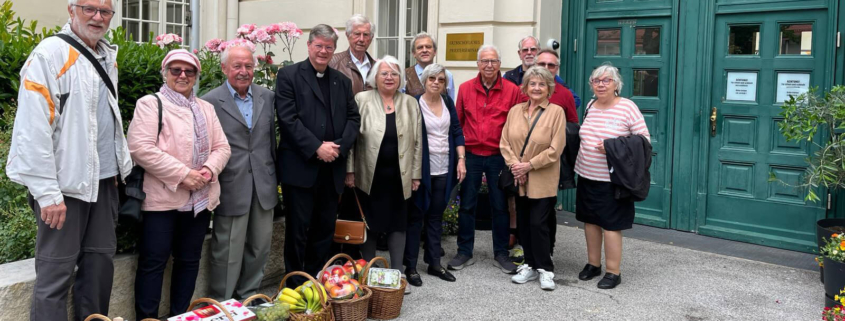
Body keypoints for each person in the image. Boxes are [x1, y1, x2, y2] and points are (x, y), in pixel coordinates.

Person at [6, 0, 130, 319]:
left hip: (103, 183)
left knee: (99, 270)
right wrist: (47, 193)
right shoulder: (50, 54)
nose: (98, 17)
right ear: (71, 10)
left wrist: (115, 165)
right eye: (89, 9)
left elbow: (103, 122)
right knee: (55, 275)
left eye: (105, 12)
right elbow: (32, 130)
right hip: (64, 188)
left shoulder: (107, 55)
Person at [128, 49, 231, 318]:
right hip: (162, 200)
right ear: (165, 73)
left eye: (189, 71)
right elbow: (140, 148)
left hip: (199, 199)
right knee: (153, 263)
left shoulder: (206, 108)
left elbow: (222, 147)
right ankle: (147, 317)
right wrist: (184, 174)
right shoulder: (150, 104)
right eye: (176, 70)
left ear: (196, 76)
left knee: (188, 262)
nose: (182, 75)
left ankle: (180, 315)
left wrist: (208, 171)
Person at [276, 24, 360, 282]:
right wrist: (316, 147)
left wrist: (338, 148)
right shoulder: (288, 75)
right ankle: (294, 284)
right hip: (301, 168)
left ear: (334, 49)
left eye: (329, 47)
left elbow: (353, 119)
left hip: (331, 169)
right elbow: (288, 120)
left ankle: (316, 280)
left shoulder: (342, 81)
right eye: (319, 46)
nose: (323, 51)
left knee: (324, 229)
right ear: (309, 46)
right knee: (298, 230)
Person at [201, 43, 277, 301]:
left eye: (248, 65)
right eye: (237, 66)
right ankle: (222, 302)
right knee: (228, 250)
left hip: (264, 184)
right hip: (231, 185)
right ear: (224, 68)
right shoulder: (210, 101)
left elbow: (270, 142)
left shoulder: (267, 96)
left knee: (260, 246)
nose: (244, 71)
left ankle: (249, 296)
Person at [345, 55, 422, 285]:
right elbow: (351, 139)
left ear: (400, 79)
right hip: (368, 175)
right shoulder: (362, 99)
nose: (390, 77)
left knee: (398, 224)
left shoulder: (410, 102)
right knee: (369, 223)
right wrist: (349, 170)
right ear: (374, 77)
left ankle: (396, 274)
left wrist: (416, 174)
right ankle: (368, 272)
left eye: (394, 73)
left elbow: (417, 142)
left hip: (400, 175)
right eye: (384, 73)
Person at [450, 45, 526, 274]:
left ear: (500, 64)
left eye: (493, 61)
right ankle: (464, 251)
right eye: (484, 61)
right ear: (478, 64)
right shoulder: (465, 89)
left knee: (500, 206)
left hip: (498, 156)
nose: (489, 65)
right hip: (472, 155)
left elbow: (517, 126)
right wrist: (460, 157)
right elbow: (458, 125)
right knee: (467, 205)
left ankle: (501, 253)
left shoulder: (512, 90)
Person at [575, 63, 650, 289]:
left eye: (606, 80)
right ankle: (593, 264)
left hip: (613, 180)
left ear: (616, 84)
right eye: (596, 81)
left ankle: (613, 271)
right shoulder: (590, 105)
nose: (601, 84)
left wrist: (612, 146)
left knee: (611, 225)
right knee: (590, 221)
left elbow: (643, 141)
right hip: (587, 175)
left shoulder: (627, 107)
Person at [501, 67, 567, 291]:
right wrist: (515, 167)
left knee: (540, 224)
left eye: (541, 84)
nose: (536, 88)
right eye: (532, 84)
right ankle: (529, 263)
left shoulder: (556, 112)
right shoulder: (515, 111)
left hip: (543, 178)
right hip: (519, 179)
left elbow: (555, 149)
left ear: (549, 88)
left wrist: (529, 165)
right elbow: (505, 143)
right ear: (525, 87)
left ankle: (546, 269)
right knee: (525, 224)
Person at [403, 64, 465, 287]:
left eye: (441, 79)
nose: (436, 82)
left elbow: (457, 131)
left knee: (435, 217)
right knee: (416, 217)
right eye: (432, 79)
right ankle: (410, 266)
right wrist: (412, 172)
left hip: (445, 168)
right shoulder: (414, 103)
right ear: (424, 80)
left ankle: (434, 263)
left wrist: (461, 159)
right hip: (422, 170)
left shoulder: (447, 102)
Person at [504, 36, 581, 108]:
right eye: (525, 50)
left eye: (533, 49)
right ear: (519, 54)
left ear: (539, 51)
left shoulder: (551, 76)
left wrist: (552, 110)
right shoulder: (509, 76)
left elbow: (575, 100)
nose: (529, 53)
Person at [329, 14, 377, 95]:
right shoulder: (333, 63)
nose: (361, 39)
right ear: (348, 35)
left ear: (371, 38)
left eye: (365, 35)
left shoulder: (377, 67)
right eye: (357, 34)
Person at [402, 32, 456, 101]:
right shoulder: (404, 75)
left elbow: (450, 104)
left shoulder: (447, 75)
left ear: (435, 52)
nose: (424, 50)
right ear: (414, 53)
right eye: (420, 47)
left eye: (428, 47)